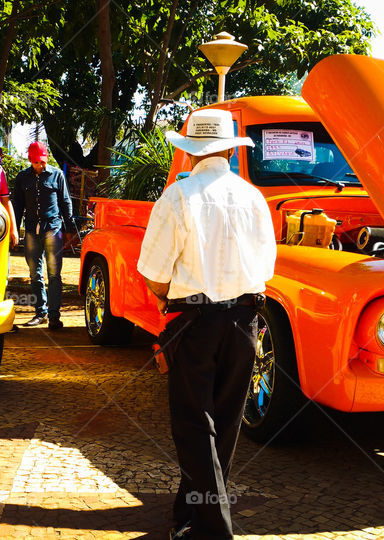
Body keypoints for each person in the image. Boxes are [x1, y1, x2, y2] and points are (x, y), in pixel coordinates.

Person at [138, 109, 276, 539]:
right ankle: (189, 511)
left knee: (194, 425)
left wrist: (166, 300)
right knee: (226, 421)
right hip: (246, 321)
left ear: (192, 152)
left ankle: (213, 531)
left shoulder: (178, 197)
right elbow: (266, 264)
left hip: (195, 323)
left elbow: (154, 273)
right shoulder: (254, 197)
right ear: (230, 150)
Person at [13, 142, 74, 330]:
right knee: (34, 274)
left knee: (54, 274)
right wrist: (13, 229)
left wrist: (70, 229)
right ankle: (41, 313)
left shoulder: (57, 175)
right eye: (38, 162)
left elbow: (65, 202)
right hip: (31, 230)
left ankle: (54, 316)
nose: (42, 165)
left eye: (44, 161)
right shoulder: (22, 178)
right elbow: (17, 206)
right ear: (31, 160)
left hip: (53, 229)